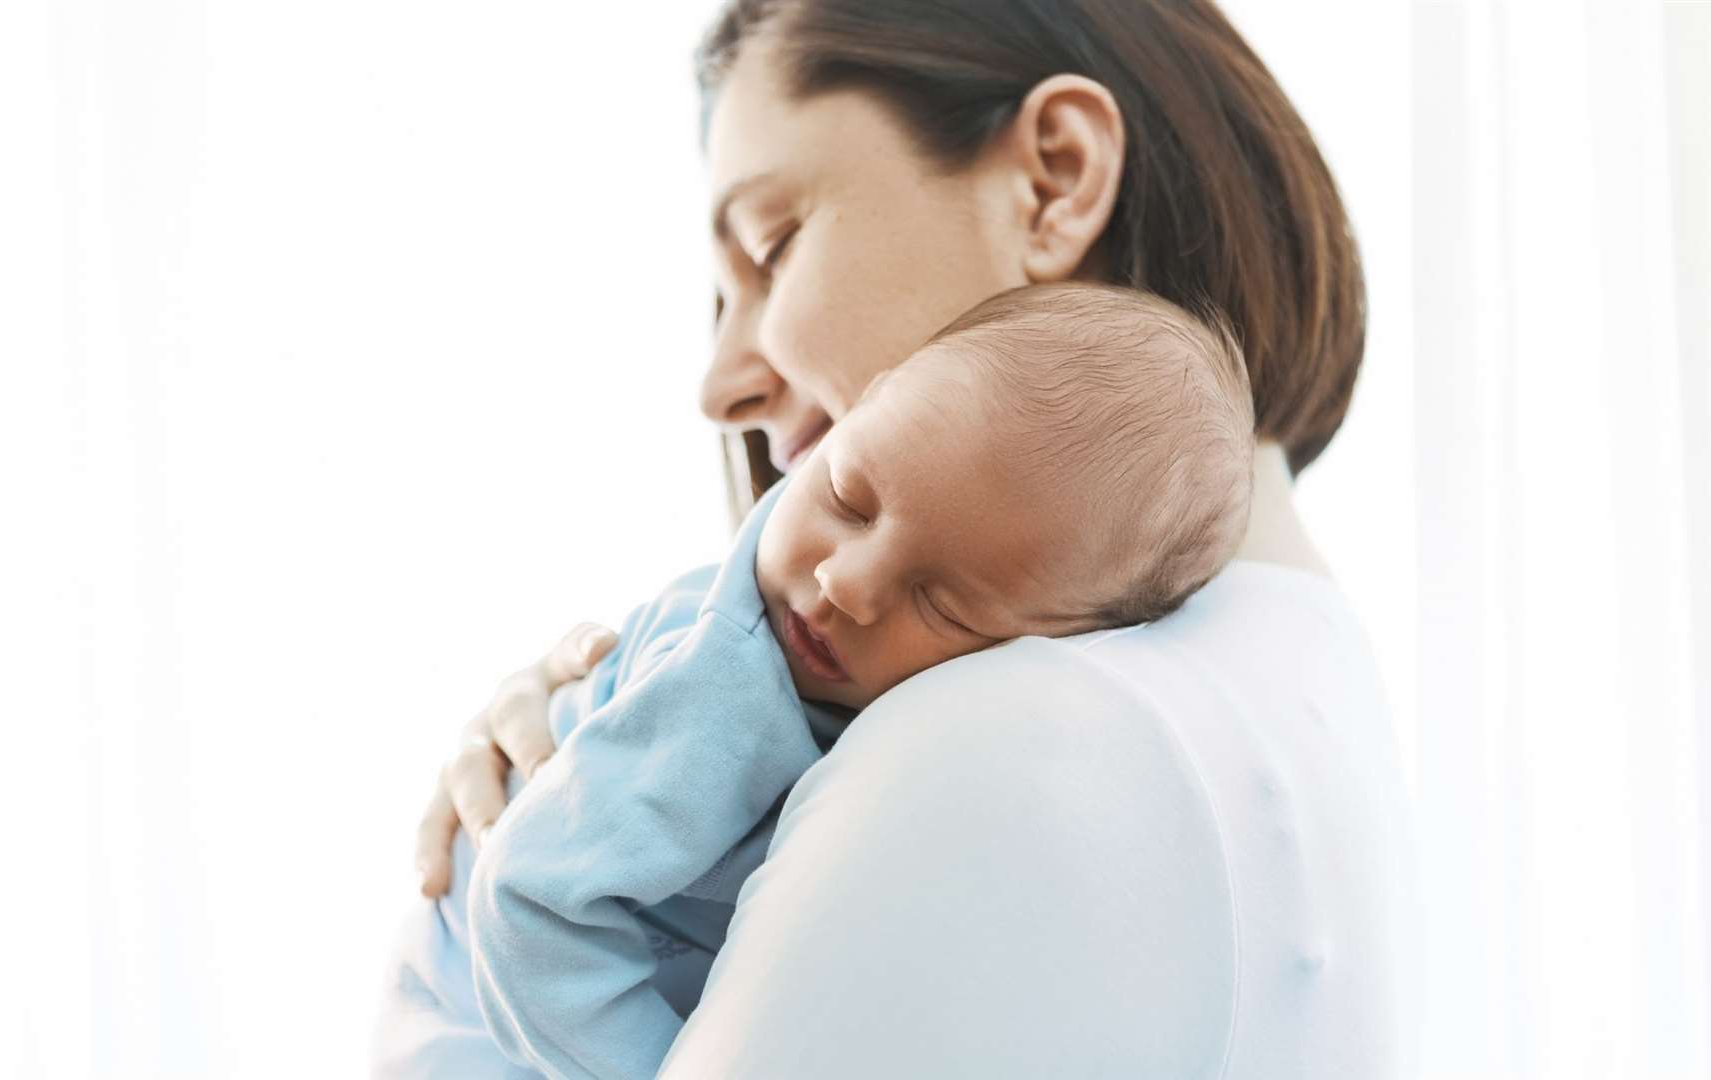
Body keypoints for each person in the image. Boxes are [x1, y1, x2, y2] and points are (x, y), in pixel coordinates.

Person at [382, 1, 1421, 1076]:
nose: (720, 384)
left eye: (771, 246)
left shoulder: (1005, 736)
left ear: (1052, 177)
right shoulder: (1304, 674)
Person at [456, 282, 1254, 1080]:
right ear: (852, 415)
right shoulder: (722, 689)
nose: (846, 584)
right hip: (470, 1012)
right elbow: (529, 898)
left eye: (941, 602)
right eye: (849, 500)